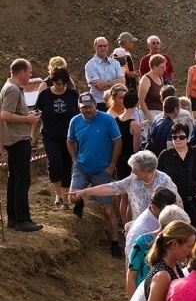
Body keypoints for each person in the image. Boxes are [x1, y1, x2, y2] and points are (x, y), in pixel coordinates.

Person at [67, 93, 123, 256]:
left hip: (102, 169)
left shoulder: (107, 120)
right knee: (72, 198)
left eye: (90, 107)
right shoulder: (75, 121)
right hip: (82, 167)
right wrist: (74, 159)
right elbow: (70, 141)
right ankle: (80, 203)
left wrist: (112, 165)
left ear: (95, 106)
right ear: (80, 108)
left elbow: (117, 142)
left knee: (107, 210)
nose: (88, 110)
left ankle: (114, 242)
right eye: (84, 107)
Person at [69, 150, 180, 228]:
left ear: (147, 170)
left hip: (161, 229)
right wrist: (84, 191)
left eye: (135, 169)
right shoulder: (133, 179)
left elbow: (178, 203)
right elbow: (112, 188)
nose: (132, 171)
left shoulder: (164, 180)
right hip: (140, 228)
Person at [1, 58, 43, 231]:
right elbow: (5, 114)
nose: (31, 75)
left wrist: (27, 115)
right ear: (21, 72)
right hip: (18, 140)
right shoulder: (12, 89)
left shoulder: (9, 87)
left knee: (14, 179)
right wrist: (27, 119)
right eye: (29, 72)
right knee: (22, 181)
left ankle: (13, 218)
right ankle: (22, 220)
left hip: (14, 140)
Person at [34, 66, 79, 210]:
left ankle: (65, 198)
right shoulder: (45, 95)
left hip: (69, 137)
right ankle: (58, 194)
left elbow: (79, 115)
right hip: (50, 136)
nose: (60, 86)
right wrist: (32, 133)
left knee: (67, 164)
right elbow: (36, 114)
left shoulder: (72, 95)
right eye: (57, 83)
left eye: (63, 83)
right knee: (55, 162)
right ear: (52, 82)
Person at [157, 122, 196, 236]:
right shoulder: (165, 155)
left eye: (181, 137)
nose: (178, 140)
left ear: (187, 138)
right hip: (174, 204)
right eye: (174, 137)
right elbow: (158, 178)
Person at [84, 37, 125, 110]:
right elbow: (100, 87)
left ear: (108, 47)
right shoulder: (90, 65)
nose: (103, 48)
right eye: (100, 46)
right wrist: (116, 83)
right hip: (99, 103)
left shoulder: (115, 63)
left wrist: (107, 83)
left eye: (105, 46)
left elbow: (122, 82)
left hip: (115, 103)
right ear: (94, 47)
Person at [138, 54, 167, 125]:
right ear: (154, 67)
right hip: (149, 114)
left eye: (165, 67)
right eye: (162, 67)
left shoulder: (160, 78)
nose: (164, 69)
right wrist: (149, 116)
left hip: (160, 113)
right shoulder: (146, 80)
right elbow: (141, 101)